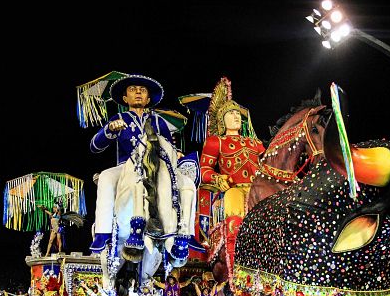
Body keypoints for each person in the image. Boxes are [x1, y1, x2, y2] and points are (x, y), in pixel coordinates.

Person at [89, 73, 195, 258]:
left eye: (142, 90)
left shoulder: (158, 121)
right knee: (105, 177)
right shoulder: (119, 117)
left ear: (148, 99)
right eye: (132, 89)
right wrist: (109, 129)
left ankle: (187, 233)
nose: (138, 92)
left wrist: (176, 153)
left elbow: (170, 146)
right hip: (126, 166)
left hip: (158, 167)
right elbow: (94, 146)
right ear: (125, 98)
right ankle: (102, 232)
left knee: (189, 184)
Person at [199, 77, 265, 278]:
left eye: (238, 113)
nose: (236, 116)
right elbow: (204, 170)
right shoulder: (215, 142)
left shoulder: (255, 143)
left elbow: (268, 162)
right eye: (231, 113)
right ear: (222, 119)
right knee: (234, 202)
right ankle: (234, 262)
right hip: (233, 189)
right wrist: (218, 179)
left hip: (258, 188)